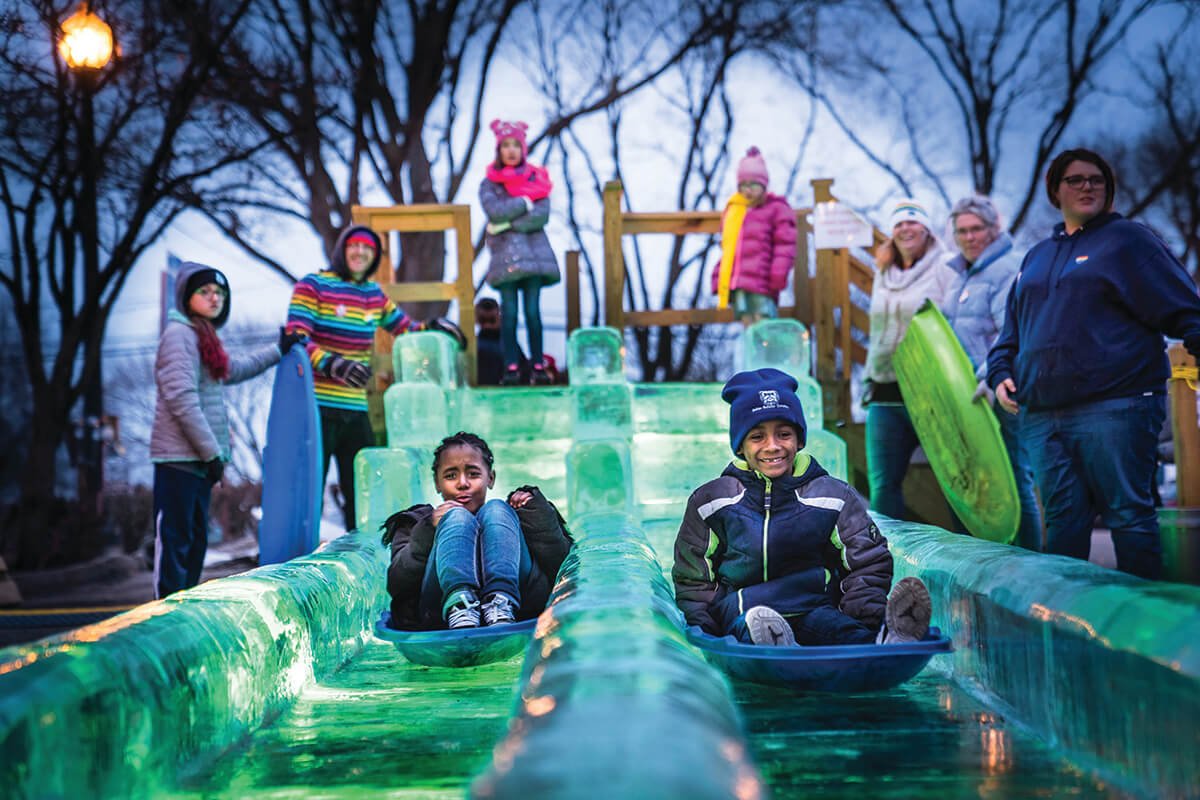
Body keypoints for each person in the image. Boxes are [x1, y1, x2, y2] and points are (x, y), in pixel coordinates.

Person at [987, 148, 1200, 579]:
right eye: (1076, 179)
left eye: (1096, 180)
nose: (1087, 187)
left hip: (1117, 405)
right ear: (1055, 191)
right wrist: (1000, 373)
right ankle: (1069, 631)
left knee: (1129, 517)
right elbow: (1012, 332)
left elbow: (1184, 308)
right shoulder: (1037, 257)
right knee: (1063, 526)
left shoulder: (1128, 241)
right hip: (1043, 415)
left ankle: (1144, 632)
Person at [672, 368, 932, 647]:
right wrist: (707, 631)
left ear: (799, 440)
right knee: (750, 628)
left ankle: (885, 639)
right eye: (757, 437)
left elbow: (867, 562)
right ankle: (776, 645)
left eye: (783, 434)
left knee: (841, 631)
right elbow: (694, 578)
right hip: (744, 616)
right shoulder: (712, 501)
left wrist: (865, 618)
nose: (772, 446)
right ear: (740, 447)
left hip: (814, 609)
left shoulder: (832, 496)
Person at [285, 224, 463, 531]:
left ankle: (361, 549)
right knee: (311, 484)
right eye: (354, 246)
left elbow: (404, 328)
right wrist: (332, 364)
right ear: (342, 250)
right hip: (317, 405)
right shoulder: (314, 285)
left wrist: (435, 327)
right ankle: (302, 548)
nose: (360, 253)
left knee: (361, 486)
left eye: (368, 249)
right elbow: (295, 337)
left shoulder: (373, 295)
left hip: (355, 408)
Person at [150, 262, 297, 598]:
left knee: (195, 540)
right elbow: (181, 398)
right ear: (186, 297)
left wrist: (278, 350)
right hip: (178, 458)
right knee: (175, 541)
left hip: (199, 460)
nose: (214, 298)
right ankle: (163, 618)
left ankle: (184, 614)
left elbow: (232, 370)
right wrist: (212, 452)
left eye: (219, 292)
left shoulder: (204, 338)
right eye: (205, 292)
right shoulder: (179, 336)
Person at [381, 432, 573, 629]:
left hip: (520, 607)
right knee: (457, 516)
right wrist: (429, 530)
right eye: (450, 475)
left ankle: (502, 600)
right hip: (440, 613)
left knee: (496, 508)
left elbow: (564, 566)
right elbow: (397, 584)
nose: (462, 483)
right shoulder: (416, 522)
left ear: (490, 478)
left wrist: (535, 513)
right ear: (437, 483)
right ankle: (459, 605)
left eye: (473, 473)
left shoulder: (512, 514)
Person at [940, 195, 1043, 550]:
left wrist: (988, 377)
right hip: (966, 398)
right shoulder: (960, 277)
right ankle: (987, 565)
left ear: (994, 229)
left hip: (998, 391)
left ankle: (1031, 565)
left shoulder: (1007, 269)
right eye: (962, 231)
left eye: (977, 229)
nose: (969, 237)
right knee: (973, 482)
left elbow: (1010, 332)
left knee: (1013, 478)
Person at [863, 199, 957, 520]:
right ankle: (885, 561)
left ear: (927, 228)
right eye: (899, 223)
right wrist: (867, 379)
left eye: (913, 222)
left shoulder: (946, 265)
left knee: (954, 481)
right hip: (884, 391)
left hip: (930, 392)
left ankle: (967, 560)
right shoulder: (883, 272)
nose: (906, 229)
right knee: (883, 486)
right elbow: (877, 332)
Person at [481, 119, 560, 386]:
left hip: (535, 258)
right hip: (505, 259)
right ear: (499, 150)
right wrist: (524, 203)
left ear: (523, 148)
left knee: (533, 312)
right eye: (506, 145)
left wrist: (507, 223)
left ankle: (538, 365)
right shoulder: (490, 184)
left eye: (516, 145)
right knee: (510, 314)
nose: (511, 150)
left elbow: (541, 216)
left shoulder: (538, 179)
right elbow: (494, 211)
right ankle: (511, 366)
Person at [710, 147, 797, 326]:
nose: (748, 190)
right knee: (747, 322)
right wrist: (719, 277)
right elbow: (728, 249)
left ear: (764, 186)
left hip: (762, 281)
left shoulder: (776, 209)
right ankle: (751, 352)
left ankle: (766, 352)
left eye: (753, 185)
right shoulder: (734, 211)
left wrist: (779, 274)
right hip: (740, 282)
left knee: (764, 321)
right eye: (743, 185)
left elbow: (784, 245)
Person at [475, 297, 528, 386]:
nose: (487, 325)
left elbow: (525, 373)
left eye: (492, 320)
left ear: (500, 318)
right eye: (483, 320)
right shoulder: (474, 346)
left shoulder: (510, 346)